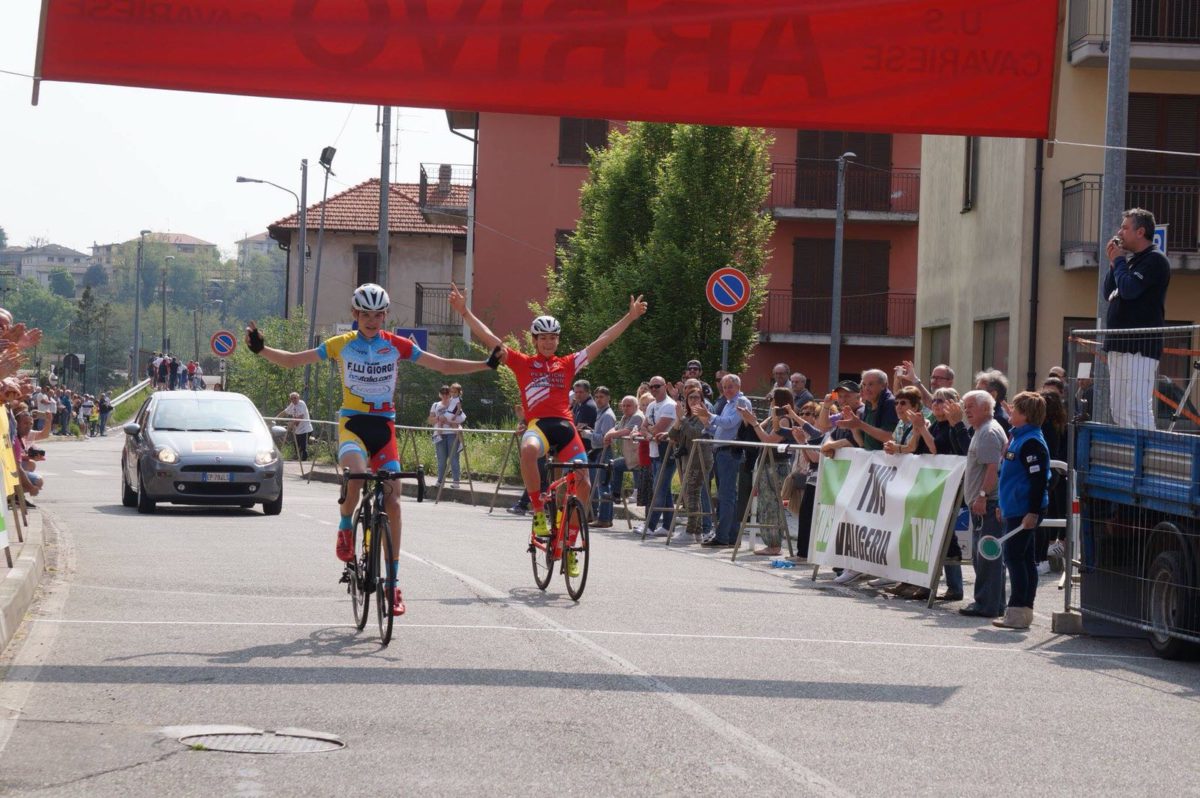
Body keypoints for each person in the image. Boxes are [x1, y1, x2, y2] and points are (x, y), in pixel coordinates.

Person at [247, 283, 494, 617]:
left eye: (378, 314)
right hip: (353, 425)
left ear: (385, 315)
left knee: (393, 499)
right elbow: (293, 361)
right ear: (355, 314)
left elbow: (443, 366)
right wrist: (262, 349)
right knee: (357, 474)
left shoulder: (395, 345)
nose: (373, 320)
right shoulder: (341, 345)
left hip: (384, 428)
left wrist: (485, 364)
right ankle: (346, 524)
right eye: (366, 313)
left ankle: (392, 585)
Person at [449, 283, 647, 568]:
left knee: (584, 481)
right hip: (539, 426)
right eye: (543, 338)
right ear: (534, 339)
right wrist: (465, 311)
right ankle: (539, 510)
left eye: (553, 338)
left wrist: (629, 317)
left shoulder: (567, 364)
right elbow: (492, 339)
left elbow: (603, 340)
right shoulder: (522, 363)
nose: (549, 342)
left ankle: (570, 542)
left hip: (566, 429)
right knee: (528, 450)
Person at [1103, 207, 1171, 430]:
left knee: (1137, 408)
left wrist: (1120, 262)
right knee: (1119, 409)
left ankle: (1148, 461)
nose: (1119, 232)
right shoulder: (1130, 261)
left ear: (1140, 232)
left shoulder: (1154, 260)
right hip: (1120, 344)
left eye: (1124, 227)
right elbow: (1108, 292)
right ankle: (1129, 458)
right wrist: (1115, 263)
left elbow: (1131, 289)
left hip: (1140, 345)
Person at [994, 391, 1050, 630]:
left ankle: (1017, 610)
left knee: (1015, 558)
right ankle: (1023, 611)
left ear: (1025, 415)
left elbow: (1038, 481)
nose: (1010, 411)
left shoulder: (1031, 442)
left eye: (1015, 409)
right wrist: (1000, 504)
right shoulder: (1017, 437)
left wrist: (1033, 512)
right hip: (1013, 508)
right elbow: (1007, 475)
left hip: (1024, 509)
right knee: (1024, 559)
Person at [959, 390, 1009, 619]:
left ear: (985, 407)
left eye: (971, 406)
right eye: (965, 406)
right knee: (987, 556)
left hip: (987, 504)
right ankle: (994, 604)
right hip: (985, 503)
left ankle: (986, 604)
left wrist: (981, 495)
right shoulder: (983, 429)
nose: (966, 410)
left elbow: (992, 469)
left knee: (987, 556)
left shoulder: (988, 432)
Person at [693, 373, 753, 548]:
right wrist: (707, 423)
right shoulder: (728, 403)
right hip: (721, 451)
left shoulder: (741, 402)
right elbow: (720, 429)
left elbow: (730, 423)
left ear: (738, 387)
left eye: (730, 386)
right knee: (727, 496)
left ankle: (723, 536)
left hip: (729, 452)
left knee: (726, 496)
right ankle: (730, 536)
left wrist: (709, 416)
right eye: (725, 387)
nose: (727, 390)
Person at [737, 386, 798, 556]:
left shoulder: (784, 419)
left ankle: (774, 544)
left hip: (777, 466)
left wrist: (755, 423)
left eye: (772, 398)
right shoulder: (774, 418)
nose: (770, 402)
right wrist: (748, 418)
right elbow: (756, 430)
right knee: (765, 503)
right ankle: (770, 542)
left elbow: (769, 439)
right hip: (766, 464)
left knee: (772, 505)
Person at [667, 388, 714, 542]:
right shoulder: (686, 416)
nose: (693, 400)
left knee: (692, 493)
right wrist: (679, 420)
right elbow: (673, 436)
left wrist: (684, 420)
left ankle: (691, 531)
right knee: (692, 494)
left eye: (696, 397)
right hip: (689, 459)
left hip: (700, 459)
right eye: (690, 398)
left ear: (702, 400)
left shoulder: (703, 416)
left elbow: (695, 434)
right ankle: (697, 531)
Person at [428, 385, 466, 488]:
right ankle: (440, 481)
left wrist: (449, 421)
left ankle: (456, 482)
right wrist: (440, 419)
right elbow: (430, 420)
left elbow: (460, 417)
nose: (445, 395)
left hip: (452, 434)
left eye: (447, 393)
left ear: (451, 393)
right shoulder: (435, 405)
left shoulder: (454, 403)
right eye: (443, 393)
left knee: (454, 458)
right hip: (439, 434)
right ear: (440, 394)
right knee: (441, 459)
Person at [281, 391, 314, 461]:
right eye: (292, 399)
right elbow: (285, 411)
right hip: (298, 430)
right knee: (296, 446)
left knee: (303, 447)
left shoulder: (301, 404)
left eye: (295, 398)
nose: (293, 400)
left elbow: (300, 417)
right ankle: (298, 460)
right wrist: (275, 418)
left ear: (298, 398)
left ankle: (303, 462)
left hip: (305, 429)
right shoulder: (292, 405)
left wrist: (291, 424)